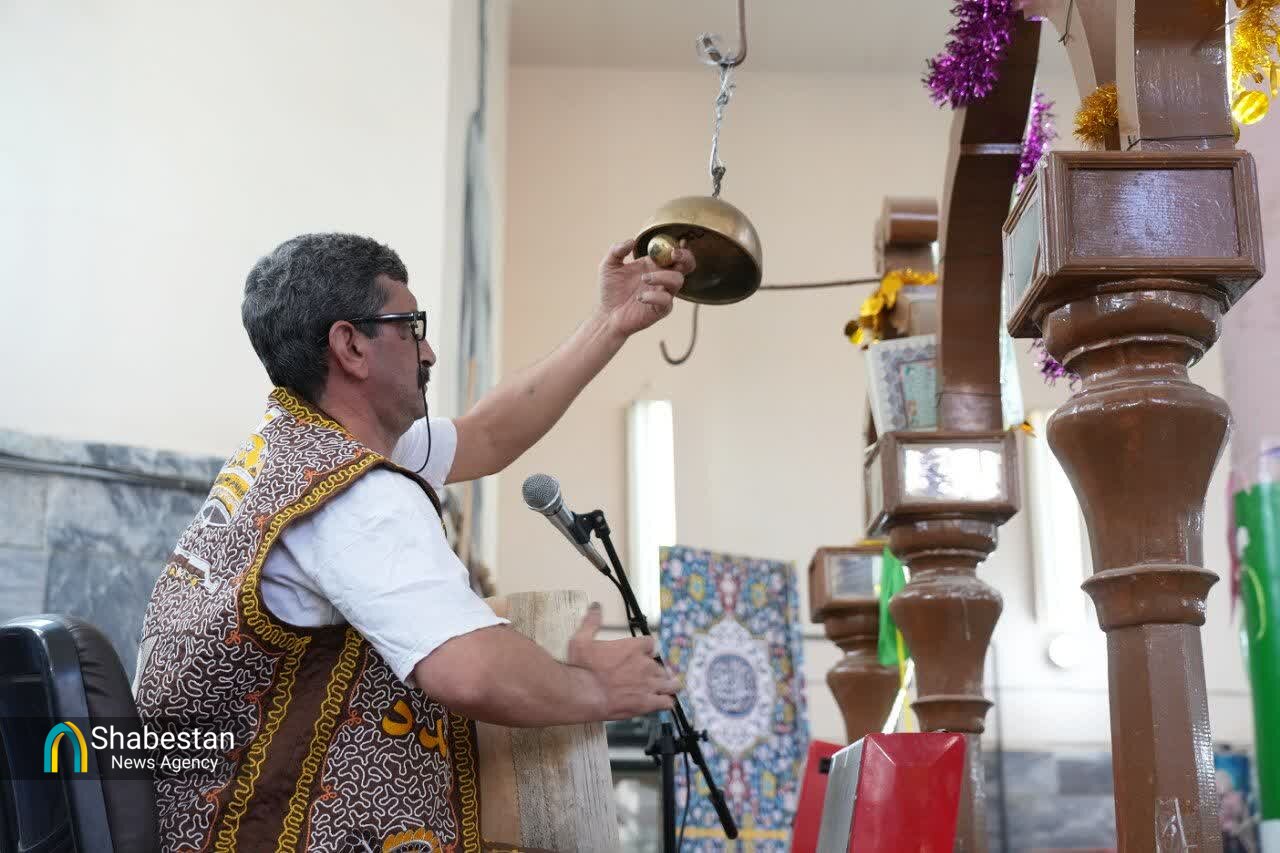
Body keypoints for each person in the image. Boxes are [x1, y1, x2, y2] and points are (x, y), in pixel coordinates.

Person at [133, 232, 694, 851]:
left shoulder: (291, 445)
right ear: (351, 345)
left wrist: (610, 323)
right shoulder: (359, 499)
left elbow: (489, 434)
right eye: (410, 327)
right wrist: (598, 690)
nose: (428, 351)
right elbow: (473, 671)